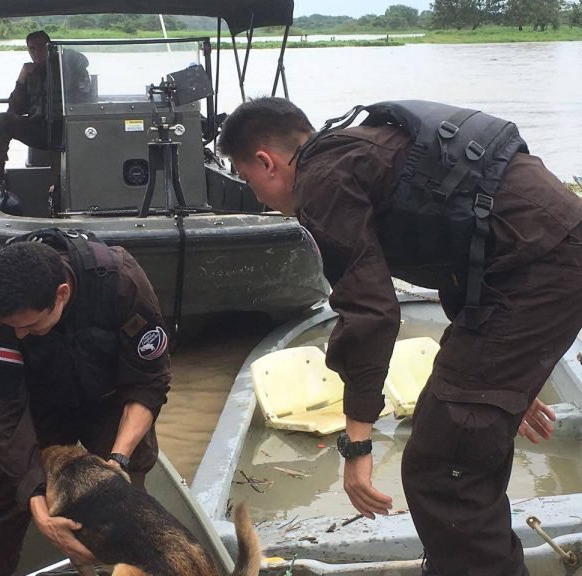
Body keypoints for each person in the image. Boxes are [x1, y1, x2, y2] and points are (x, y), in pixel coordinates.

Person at [218, 97, 582, 576]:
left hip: (538, 270)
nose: (259, 197)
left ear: (266, 162)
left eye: (247, 180)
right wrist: (511, 377)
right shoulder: (357, 149)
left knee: (443, 470)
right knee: (453, 432)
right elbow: (461, 249)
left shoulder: (320, 183)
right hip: (544, 252)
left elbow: (369, 312)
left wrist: (357, 443)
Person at [0, 229, 172, 576]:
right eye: (12, 328)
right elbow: (3, 411)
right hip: (37, 408)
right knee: (6, 497)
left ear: (61, 294)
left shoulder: (121, 282)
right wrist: (36, 500)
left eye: (30, 325)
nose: (19, 335)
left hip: (107, 403)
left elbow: (148, 381)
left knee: (130, 502)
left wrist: (118, 460)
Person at [0, 30, 90, 185]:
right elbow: (17, 108)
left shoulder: (67, 66)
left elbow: (84, 88)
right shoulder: (30, 73)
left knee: (60, 179)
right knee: (1, 120)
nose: (36, 52)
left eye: (41, 47)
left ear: (50, 47)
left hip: (65, 130)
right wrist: (21, 79)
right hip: (38, 128)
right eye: (32, 48)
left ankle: (57, 195)